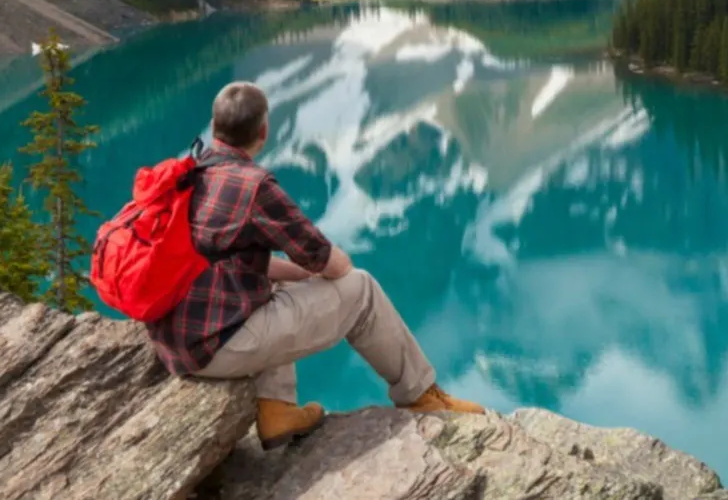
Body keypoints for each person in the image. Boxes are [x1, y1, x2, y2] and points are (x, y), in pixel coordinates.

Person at [147, 81, 483, 449]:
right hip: (215, 348)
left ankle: (276, 410)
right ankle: (420, 395)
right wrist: (325, 269)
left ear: (214, 128)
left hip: (174, 341)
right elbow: (332, 264)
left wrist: (299, 275)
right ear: (263, 131)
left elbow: (229, 263)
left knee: (277, 289)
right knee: (363, 290)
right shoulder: (254, 187)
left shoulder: (192, 174)